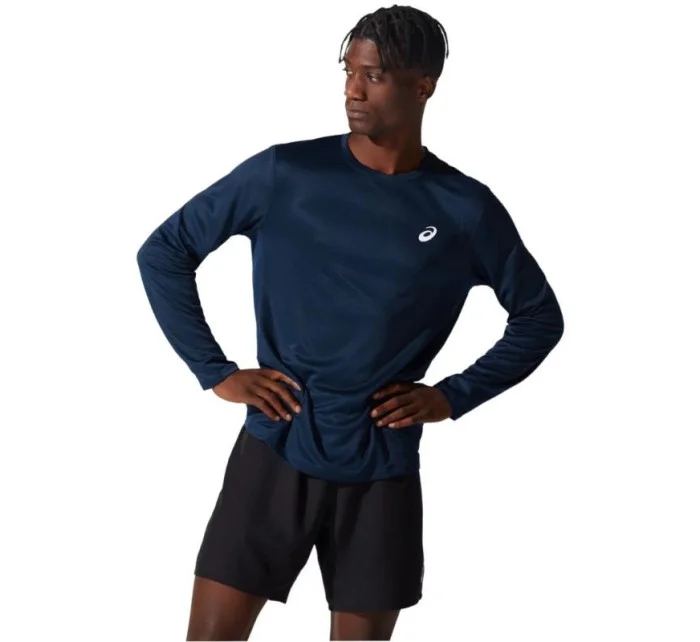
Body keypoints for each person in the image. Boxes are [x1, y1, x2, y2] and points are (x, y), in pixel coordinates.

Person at [136, 4, 564, 640]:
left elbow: (538, 318)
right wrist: (215, 372)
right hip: (275, 449)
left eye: (374, 76)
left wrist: (452, 396)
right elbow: (164, 253)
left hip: (381, 464)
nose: (353, 91)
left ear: (424, 86)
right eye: (349, 72)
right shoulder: (285, 173)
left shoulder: (464, 209)